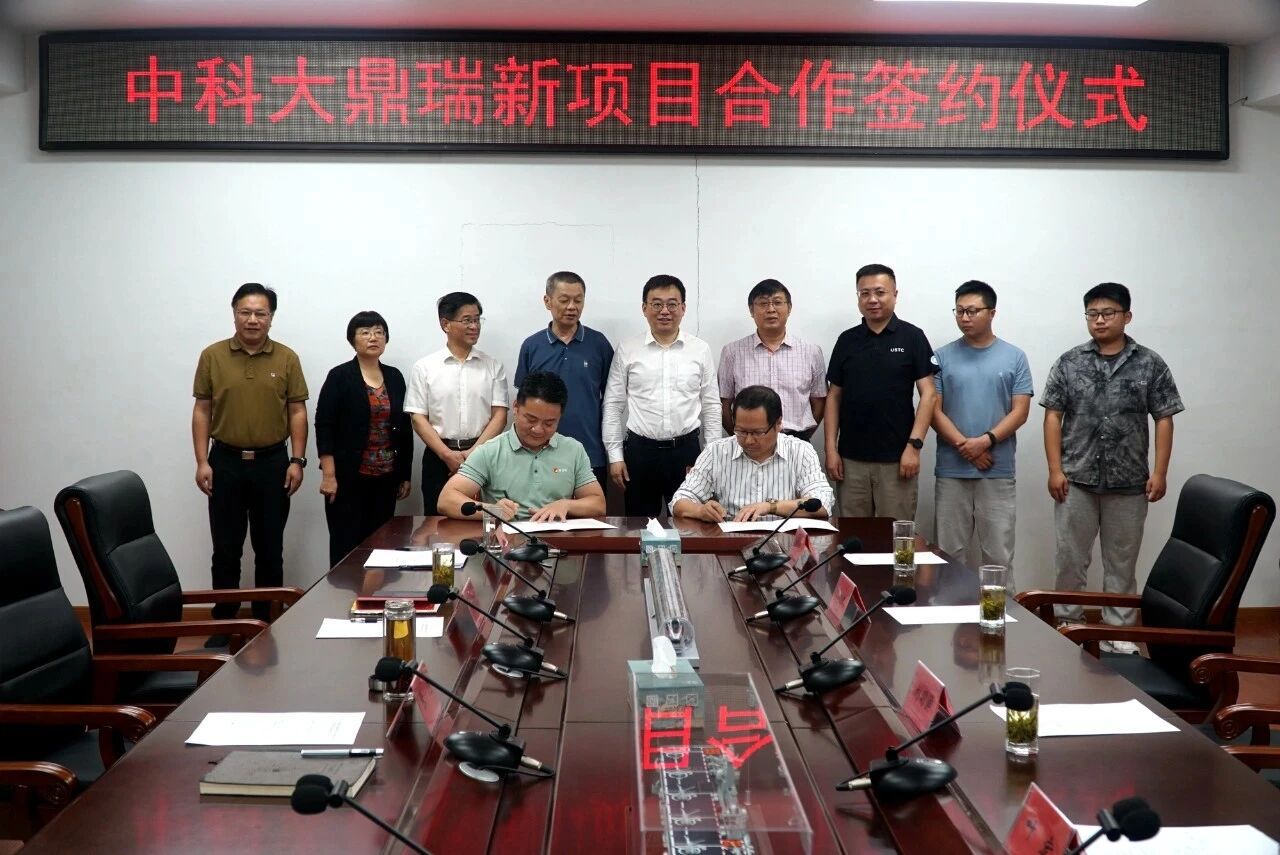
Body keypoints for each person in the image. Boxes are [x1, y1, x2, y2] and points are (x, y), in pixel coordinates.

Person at [1041, 282, 1184, 651]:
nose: (1100, 320)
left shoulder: (1150, 363)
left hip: (1130, 481)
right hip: (1076, 479)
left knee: (1121, 562)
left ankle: (1118, 632)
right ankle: (1068, 625)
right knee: (1070, 560)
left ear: (1127, 316)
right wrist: (1055, 469)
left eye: (1108, 313)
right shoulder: (1070, 362)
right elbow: (1053, 416)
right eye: (1093, 314)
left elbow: (1164, 417)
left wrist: (1160, 472)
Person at [192, 282, 308, 629]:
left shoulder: (287, 358)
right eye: (245, 312)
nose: (253, 320)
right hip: (224, 463)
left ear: (271, 317)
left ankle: (265, 623)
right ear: (234, 314)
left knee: (270, 549)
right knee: (225, 550)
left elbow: (297, 411)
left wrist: (297, 460)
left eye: (260, 313)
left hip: (273, 464)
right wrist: (202, 461)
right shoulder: (212, 356)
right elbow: (202, 410)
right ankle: (224, 625)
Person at [931, 281, 1033, 586]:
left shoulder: (1014, 357)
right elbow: (933, 410)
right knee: (948, 555)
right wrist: (966, 446)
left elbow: (1020, 411)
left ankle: (1004, 614)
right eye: (959, 311)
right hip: (952, 471)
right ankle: (948, 614)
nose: (965, 317)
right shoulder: (940, 357)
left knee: (998, 556)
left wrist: (985, 441)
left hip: (997, 470)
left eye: (972, 311)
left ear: (992, 312)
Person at [602, 274, 722, 518]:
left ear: (683, 308)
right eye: (656, 304)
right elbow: (613, 404)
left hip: (686, 452)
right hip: (640, 452)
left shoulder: (699, 349)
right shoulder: (628, 348)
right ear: (644, 308)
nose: (664, 311)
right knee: (638, 525)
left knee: (690, 525)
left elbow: (711, 405)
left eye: (672, 304)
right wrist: (615, 456)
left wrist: (712, 457)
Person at [825, 263, 937, 520]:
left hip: (897, 459)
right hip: (851, 461)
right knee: (853, 536)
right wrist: (831, 449)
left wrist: (914, 447)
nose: (872, 299)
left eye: (880, 292)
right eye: (864, 293)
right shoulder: (847, 340)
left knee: (895, 536)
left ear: (895, 294)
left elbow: (929, 394)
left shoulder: (913, 337)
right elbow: (834, 396)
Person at [314, 311, 413, 567]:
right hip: (347, 478)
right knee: (346, 547)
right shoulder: (339, 376)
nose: (373, 337)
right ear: (352, 340)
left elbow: (404, 428)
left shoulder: (395, 376)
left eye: (379, 332)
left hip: (386, 477)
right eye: (365, 332)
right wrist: (329, 475)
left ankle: (376, 593)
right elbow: (324, 426)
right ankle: (342, 592)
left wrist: (405, 474)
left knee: (381, 547)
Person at [437, 371, 606, 521]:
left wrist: (566, 505)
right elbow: (446, 500)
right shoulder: (490, 451)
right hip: (507, 540)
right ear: (516, 408)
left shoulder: (573, 450)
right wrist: (493, 511)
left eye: (549, 423)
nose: (538, 429)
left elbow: (598, 503)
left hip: (558, 539)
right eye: (531, 419)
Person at [403, 292, 509, 515]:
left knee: (486, 517)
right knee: (437, 521)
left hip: (484, 455)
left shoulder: (493, 366)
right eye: (467, 320)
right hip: (438, 457)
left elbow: (500, 416)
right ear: (445, 324)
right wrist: (446, 455)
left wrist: (473, 454)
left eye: (477, 319)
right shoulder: (425, 367)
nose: (474, 326)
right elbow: (418, 418)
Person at [671, 386, 833, 522]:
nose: (748, 440)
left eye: (757, 433)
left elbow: (822, 503)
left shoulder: (800, 451)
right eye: (741, 431)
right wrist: (701, 511)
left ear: (778, 424)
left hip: (784, 541)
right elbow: (680, 500)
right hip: (732, 539)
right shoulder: (716, 452)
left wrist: (771, 507)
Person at [514, 271, 614, 488]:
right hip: (539, 452)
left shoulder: (599, 344)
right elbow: (523, 403)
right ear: (547, 301)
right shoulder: (532, 346)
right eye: (564, 300)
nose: (572, 307)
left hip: (589, 453)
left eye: (578, 301)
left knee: (591, 508)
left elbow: (612, 401)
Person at [717, 278, 826, 441]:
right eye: (763, 303)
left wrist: (800, 437)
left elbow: (819, 402)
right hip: (748, 442)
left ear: (789, 308)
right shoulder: (732, 352)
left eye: (777, 302)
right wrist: (741, 437)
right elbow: (723, 404)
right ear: (751, 310)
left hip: (797, 439)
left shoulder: (811, 352)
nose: (770, 309)